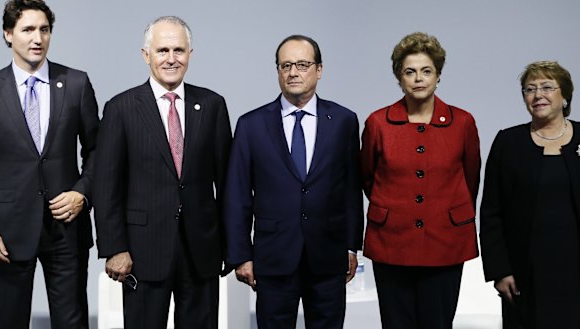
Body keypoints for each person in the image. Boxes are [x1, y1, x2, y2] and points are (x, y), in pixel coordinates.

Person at [94, 16, 231, 329]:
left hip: (202, 252)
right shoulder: (121, 108)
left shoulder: (212, 105)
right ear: (146, 55)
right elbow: (107, 187)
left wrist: (231, 247)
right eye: (163, 50)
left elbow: (227, 186)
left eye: (179, 50)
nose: (172, 58)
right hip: (143, 252)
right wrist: (115, 248)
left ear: (190, 54)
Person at [224, 34, 364, 329]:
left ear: (319, 69)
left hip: (327, 256)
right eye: (285, 65)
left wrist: (352, 246)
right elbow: (237, 196)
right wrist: (240, 255)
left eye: (302, 64)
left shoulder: (343, 121)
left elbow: (350, 189)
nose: (293, 72)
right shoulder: (251, 125)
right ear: (277, 71)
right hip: (273, 258)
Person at [360, 32, 481, 329]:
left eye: (426, 71)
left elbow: (471, 177)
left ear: (438, 75)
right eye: (409, 72)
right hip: (392, 241)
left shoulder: (462, 122)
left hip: (445, 242)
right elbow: (367, 177)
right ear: (399, 78)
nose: (418, 79)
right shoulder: (378, 122)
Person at [0, 0, 99, 328]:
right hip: (7, 232)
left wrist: (82, 193)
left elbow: (98, 152)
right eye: (27, 29)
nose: (37, 37)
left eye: (44, 29)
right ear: (8, 34)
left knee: (72, 322)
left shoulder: (77, 83)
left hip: (66, 227)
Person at [480, 61, 580, 329]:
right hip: (525, 273)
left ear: (565, 95)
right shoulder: (508, 142)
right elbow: (491, 213)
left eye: (547, 87)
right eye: (530, 89)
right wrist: (500, 271)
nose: (538, 95)